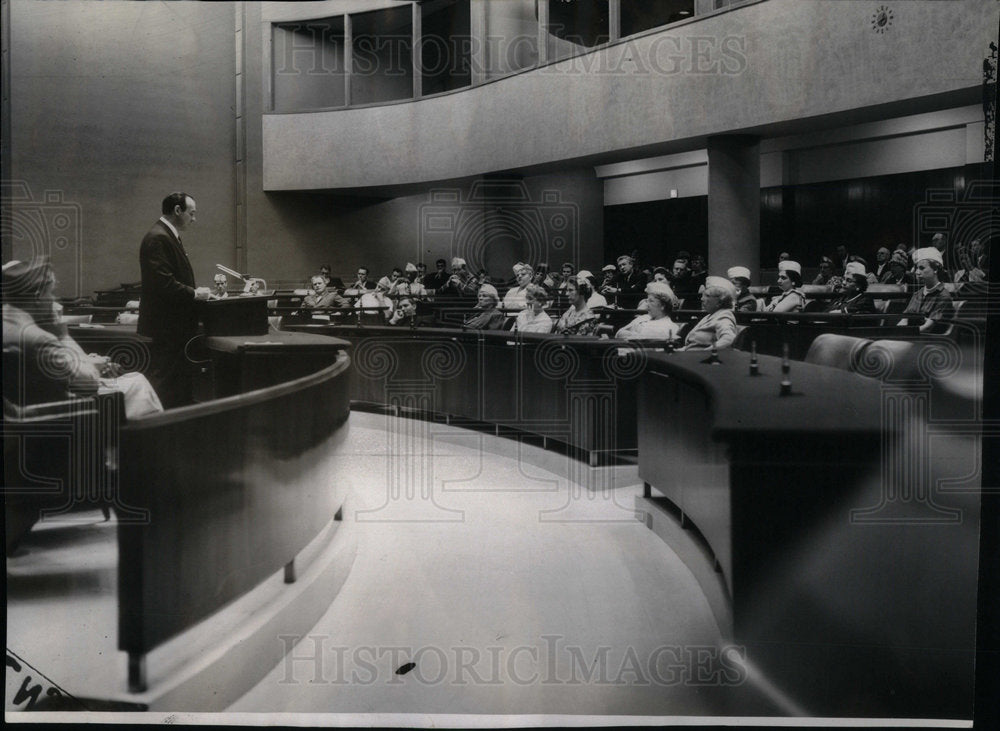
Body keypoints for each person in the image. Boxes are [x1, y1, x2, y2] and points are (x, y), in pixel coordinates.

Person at [3, 258, 163, 419]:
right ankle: (145, 440)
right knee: (136, 381)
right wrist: (63, 335)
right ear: (38, 296)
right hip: (70, 415)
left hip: (29, 409)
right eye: (50, 293)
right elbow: (88, 384)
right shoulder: (38, 339)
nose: (53, 300)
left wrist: (86, 362)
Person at [137, 192, 211, 408]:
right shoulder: (158, 237)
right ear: (178, 211)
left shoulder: (166, 235)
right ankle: (157, 426)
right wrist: (196, 293)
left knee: (174, 380)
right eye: (192, 213)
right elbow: (163, 283)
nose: (194, 219)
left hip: (173, 326)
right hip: (167, 327)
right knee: (165, 380)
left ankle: (174, 422)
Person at [677, 276, 739, 351]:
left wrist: (707, 352)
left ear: (719, 302)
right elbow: (692, 345)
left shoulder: (724, 316)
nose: (702, 299)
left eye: (707, 296)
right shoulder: (710, 315)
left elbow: (728, 339)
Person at [902, 247, 955, 333]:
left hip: (926, 341)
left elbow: (928, 327)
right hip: (910, 336)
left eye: (922, 268)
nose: (917, 272)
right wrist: (895, 332)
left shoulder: (943, 296)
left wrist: (905, 333)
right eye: (916, 268)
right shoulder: (917, 294)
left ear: (935, 269)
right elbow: (904, 320)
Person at [614, 281, 681, 342]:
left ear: (663, 305)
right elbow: (619, 333)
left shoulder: (670, 326)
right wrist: (637, 335)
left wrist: (632, 334)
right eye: (647, 300)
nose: (647, 304)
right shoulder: (643, 318)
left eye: (651, 301)